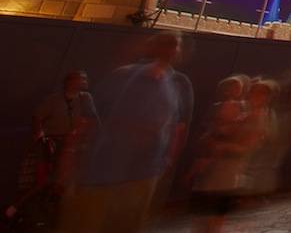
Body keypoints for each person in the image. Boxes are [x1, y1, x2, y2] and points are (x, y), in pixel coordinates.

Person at [63, 31, 193, 233]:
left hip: (144, 173)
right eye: (167, 44)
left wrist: (167, 161)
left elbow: (174, 128)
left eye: (175, 45)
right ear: (154, 46)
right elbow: (90, 119)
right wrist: (71, 158)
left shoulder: (174, 84)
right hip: (105, 170)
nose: (172, 49)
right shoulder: (125, 76)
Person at [189, 76, 250, 232]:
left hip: (229, 161)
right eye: (232, 86)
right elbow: (205, 130)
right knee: (205, 200)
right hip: (210, 158)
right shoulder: (216, 108)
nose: (235, 90)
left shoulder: (243, 109)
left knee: (221, 202)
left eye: (237, 87)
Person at [32, 70, 98, 198]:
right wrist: (40, 134)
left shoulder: (86, 98)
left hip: (74, 140)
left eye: (85, 79)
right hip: (54, 139)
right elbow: (37, 117)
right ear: (69, 82)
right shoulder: (53, 99)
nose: (84, 82)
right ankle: (50, 190)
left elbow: (92, 118)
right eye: (80, 79)